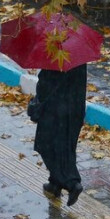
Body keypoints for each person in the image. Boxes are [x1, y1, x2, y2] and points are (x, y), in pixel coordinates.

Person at [33, 63, 87, 206]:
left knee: (46, 144)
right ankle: (54, 184)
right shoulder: (77, 52)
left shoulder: (54, 49)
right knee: (66, 146)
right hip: (75, 107)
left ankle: (72, 183)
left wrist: (37, 103)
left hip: (56, 108)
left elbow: (47, 82)